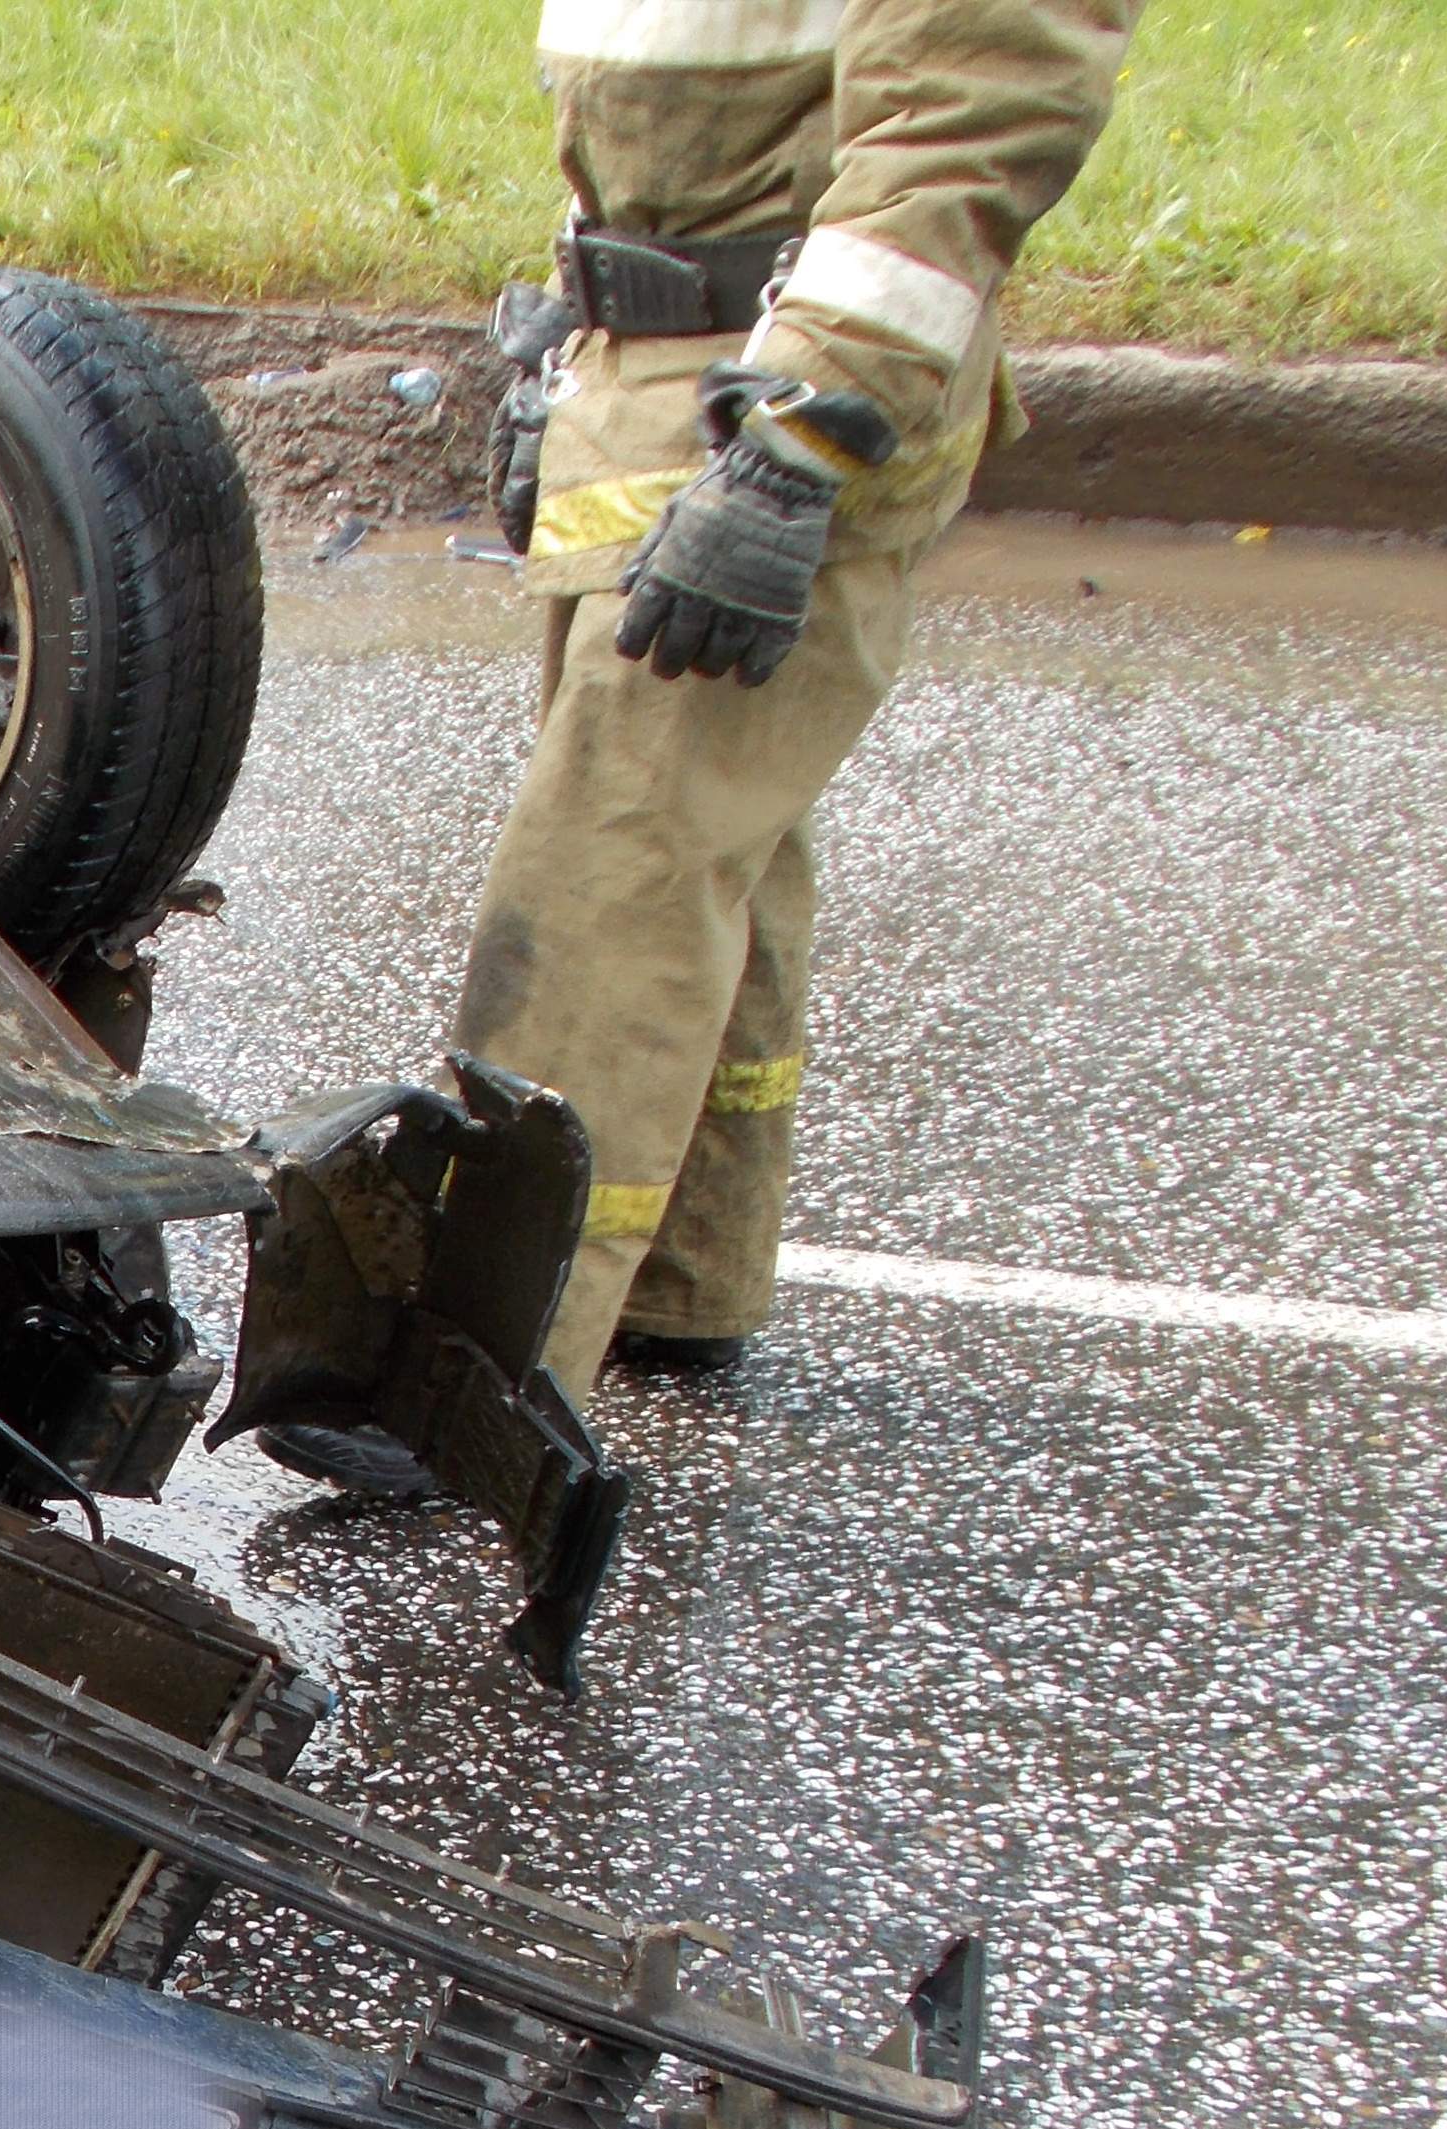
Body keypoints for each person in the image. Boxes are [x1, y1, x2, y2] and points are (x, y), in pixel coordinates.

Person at [450, 0, 1137, 1391]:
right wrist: (566, 338)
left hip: (779, 403)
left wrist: (802, 436)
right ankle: (684, 1276)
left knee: (611, 871)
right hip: (654, 385)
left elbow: (970, 115)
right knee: (706, 849)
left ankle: (472, 1361)